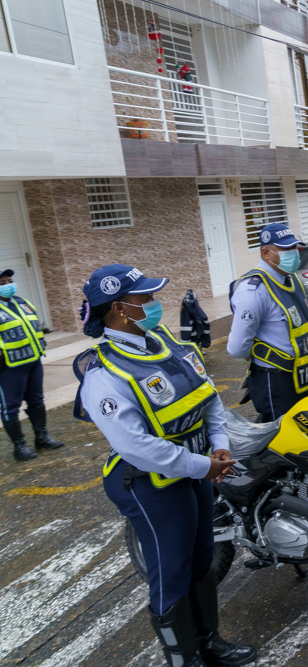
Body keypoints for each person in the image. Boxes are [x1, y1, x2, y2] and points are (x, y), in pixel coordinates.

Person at [75, 264, 255, 667]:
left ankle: (210, 644)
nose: (154, 304)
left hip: (196, 470)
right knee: (171, 570)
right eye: (145, 299)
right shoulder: (104, 374)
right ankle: (184, 659)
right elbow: (136, 447)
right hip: (149, 483)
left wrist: (220, 447)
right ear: (120, 309)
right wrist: (202, 465)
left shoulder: (163, 341)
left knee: (202, 559)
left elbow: (207, 398)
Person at [228, 223, 308, 423]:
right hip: (276, 380)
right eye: (287, 249)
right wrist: (255, 353)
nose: (294, 254)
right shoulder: (253, 290)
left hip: (304, 375)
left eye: (294, 248)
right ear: (266, 253)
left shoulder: (290, 279)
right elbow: (237, 347)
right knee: (283, 441)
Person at [0, 268, 64, 461]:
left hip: (33, 361)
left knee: (37, 399)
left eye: (9, 281)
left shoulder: (22, 302)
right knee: (10, 406)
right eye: (2, 283)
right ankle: (19, 447)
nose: (8, 285)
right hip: (8, 367)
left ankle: (42, 437)